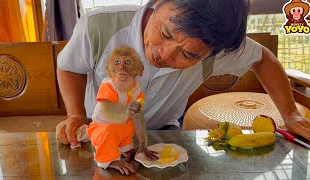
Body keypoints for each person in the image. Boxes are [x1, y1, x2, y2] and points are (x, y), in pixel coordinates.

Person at [56, 0, 310, 148]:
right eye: (165, 33)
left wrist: (289, 113)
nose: (164, 55)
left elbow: (263, 59)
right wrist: (76, 114)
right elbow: (69, 67)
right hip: (98, 130)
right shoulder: (99, 25)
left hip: (164, 135)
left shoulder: (216, 48)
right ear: (158, 3)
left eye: (188, 55)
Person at [86, 46, 157, 174]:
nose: (121, 68)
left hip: (120, 128)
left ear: (137, 69)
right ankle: (108, 160)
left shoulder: (136, 89)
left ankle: (125, 149)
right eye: (117, 62)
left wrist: (143, 143)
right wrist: (126, 113)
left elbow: (138, 118)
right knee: (110, 128)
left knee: (131, 120)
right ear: (110, 68)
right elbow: (108, 113)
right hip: (101, 128)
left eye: (128, 62)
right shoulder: (108, 85)